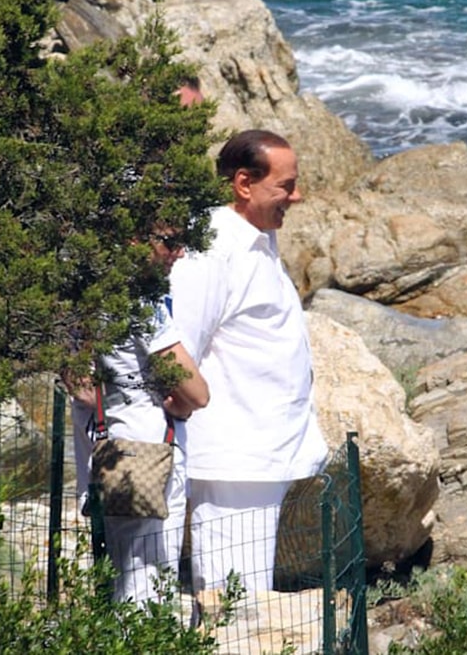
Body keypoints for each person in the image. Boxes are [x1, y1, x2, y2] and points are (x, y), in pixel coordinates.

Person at [169, 129, 329, 597]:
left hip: (261, 454)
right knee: (232, 602)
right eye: (286, 186)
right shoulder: (215, 249)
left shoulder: (257, 238)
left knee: (249, 596)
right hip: (234, 459)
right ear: (244, 184)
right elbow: (178, 351)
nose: (296, 197)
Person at [67, 226, 210, 604]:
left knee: (118, 579)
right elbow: (197, 391)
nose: (180, 253)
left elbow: (81, 386)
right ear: (134, 238)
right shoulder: (138, 299)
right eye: (170, 242)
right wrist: (184, 403)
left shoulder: (83, 291)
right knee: (146, 587)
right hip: (148, 457)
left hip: (105, 449)